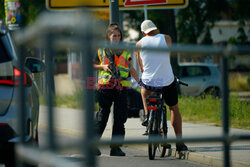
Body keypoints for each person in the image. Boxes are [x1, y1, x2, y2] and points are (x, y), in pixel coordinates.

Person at [135, 20, 188, 151]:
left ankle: (147, 116)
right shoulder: (167, 38)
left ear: (143, 32)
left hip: (150, 82)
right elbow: (167, 57)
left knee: (144, 92)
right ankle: (180, 143)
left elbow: (140, 65)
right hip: (166, 81)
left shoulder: (139, 44)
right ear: (155, 29)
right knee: (173, 108)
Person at [94, 23, 139, 156]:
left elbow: (130, 68)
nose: (117, 38)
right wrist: (102, 67)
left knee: (120, 117)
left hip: (121, 87)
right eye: (114, 35)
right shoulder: (101, 49)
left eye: (119, 36)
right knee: (103, 115)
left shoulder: (124, 51)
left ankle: (116, 148)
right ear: (108, 36)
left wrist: (141, 82)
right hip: (106, 86)